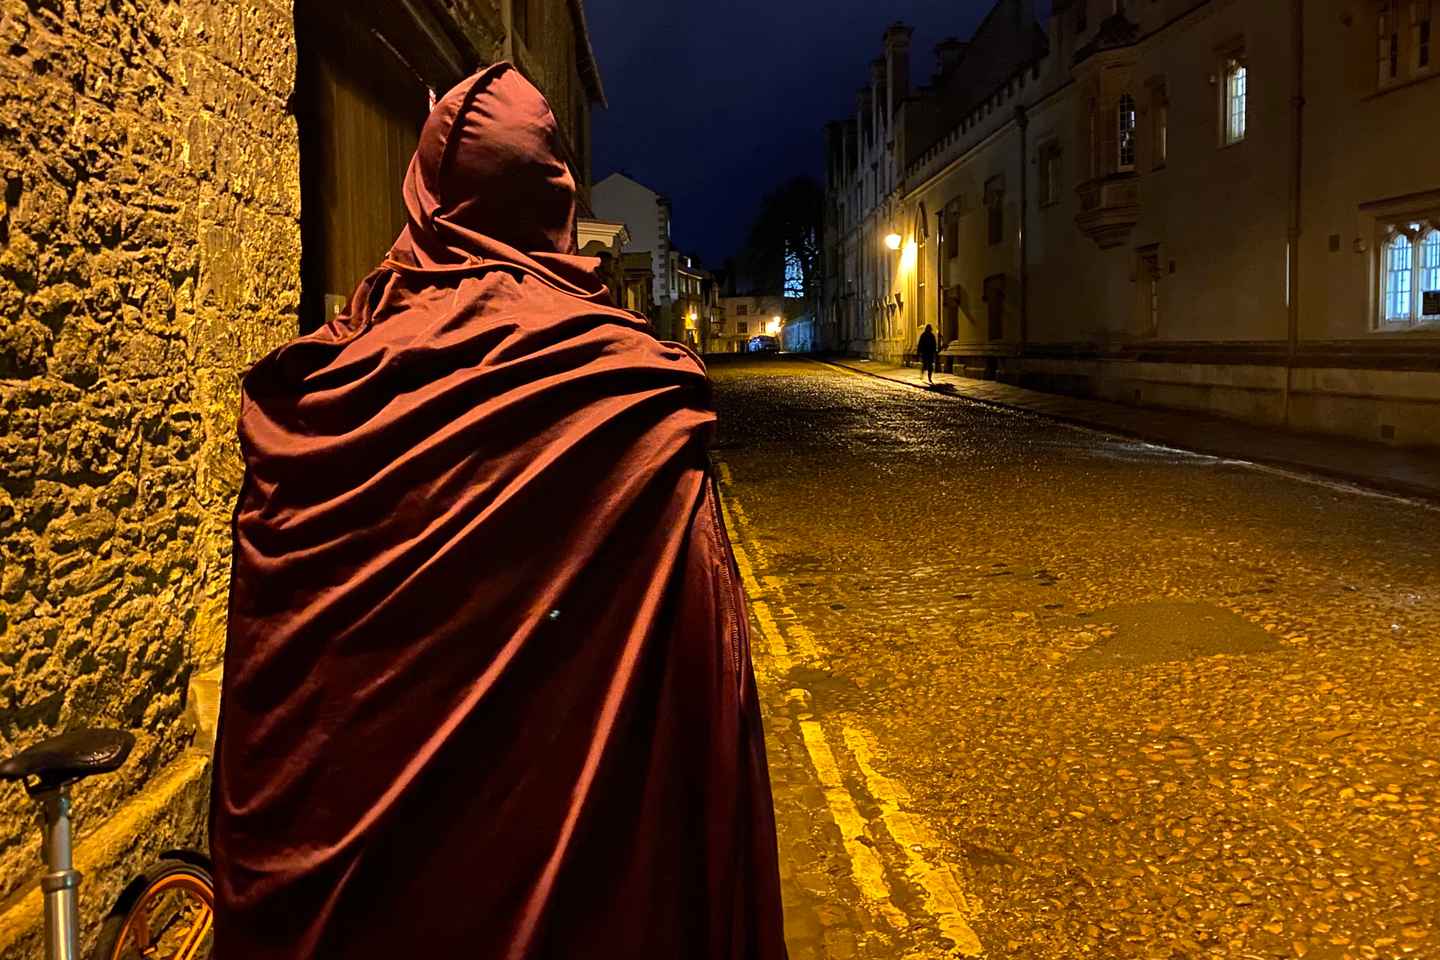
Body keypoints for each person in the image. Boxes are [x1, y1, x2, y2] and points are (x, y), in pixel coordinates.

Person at [210, 63, 787, 959]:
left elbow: (281, 701)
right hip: (581, 904)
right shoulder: (630, 390)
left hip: (376, 913)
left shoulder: (325, 399)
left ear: (425, 196)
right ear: (555, 201)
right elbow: (704, 687)